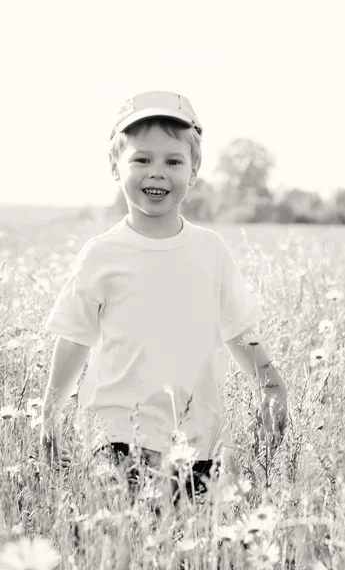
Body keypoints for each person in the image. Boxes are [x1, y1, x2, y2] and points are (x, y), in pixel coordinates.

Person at [40, 90, 287, 504]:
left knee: (184, 543)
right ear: (115, 167)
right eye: (141, 159)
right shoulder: (102, 254)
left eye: (173, 161)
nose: (157, 172)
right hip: (115, 432)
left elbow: (238, 330)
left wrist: (271, 382)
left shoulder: (210, 251)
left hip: (194, 438)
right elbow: (74, 338)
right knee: (124, 539)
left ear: (194, 171)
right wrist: (51, 408)